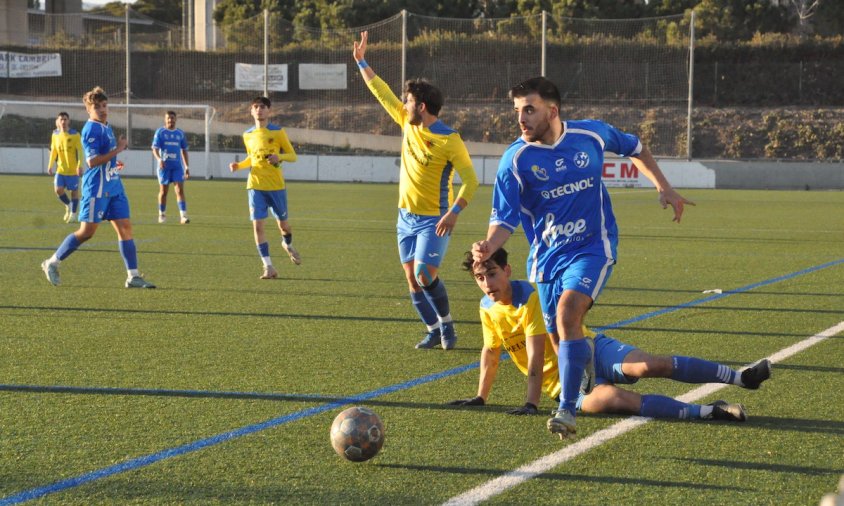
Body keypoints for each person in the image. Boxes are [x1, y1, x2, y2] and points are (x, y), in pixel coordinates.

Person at [471, 76, 696, 439]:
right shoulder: (515, 160)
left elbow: (636, 147)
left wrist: (664, 187)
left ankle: (567, 408)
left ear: (552, 110)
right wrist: (488, 244)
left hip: (594, 246)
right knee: (560, 337)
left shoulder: (591, 135)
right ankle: (585, 375)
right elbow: (504, 218)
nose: (521, 118)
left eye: (529, 109)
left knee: (568, 313)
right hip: (546, 261)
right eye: (517, 111)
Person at [450, 248, 771, 429]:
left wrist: (531, 404)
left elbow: (535, 357)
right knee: (619, 402)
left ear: (507, 270)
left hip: (590, 350)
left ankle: (741, 378)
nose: (487, 282)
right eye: (479, 277)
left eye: (492, 273)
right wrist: (481, 397)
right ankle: (712, 411)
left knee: (649, 366)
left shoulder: (532, 295)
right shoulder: (487, 308)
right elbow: (490, 353)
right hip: (566, 386)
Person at [353, 31, 479, 350]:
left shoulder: (450, 140)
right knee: (411, 279)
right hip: (404, 218)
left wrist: (454, 213)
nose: (403, 103)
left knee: (424, 274)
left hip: (434, 218)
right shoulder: (407, 124)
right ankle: (433, 329)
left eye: (407, 100)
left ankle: (448, 326)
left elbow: (471, 181)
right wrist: (361, 61)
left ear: (421, 106)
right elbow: (380, 92)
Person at [40, 86, 155, 289]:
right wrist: (119, 149)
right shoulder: (91, 129)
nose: (102, 109)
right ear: (88, 109)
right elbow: (92, 161)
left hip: (114, 187)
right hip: (97, 189)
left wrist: (114, 161)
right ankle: (52, 262)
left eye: (104, 105)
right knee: (86, 232)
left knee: (125, 228)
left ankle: (133, 276)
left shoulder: (105, 126)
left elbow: (105, 157)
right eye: (97, 106)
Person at [228, 96, 300, 280]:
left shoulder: (277, 132)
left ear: (269, 111)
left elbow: (293, 156)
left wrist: (280, 158)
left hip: (276, 186)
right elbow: (251, 158)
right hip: (255, 185)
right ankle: (268, 266)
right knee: (258, 226)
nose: (259, 109)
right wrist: (239, 166)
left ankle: (287, 244)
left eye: (262, 107)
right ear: (251, 111)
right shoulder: (247, 134)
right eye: (256, 107)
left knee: (283, 225)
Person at [151, 110, 190, 224]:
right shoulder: (160, 132)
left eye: (172, 118)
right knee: (163, 191)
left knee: (179, 190)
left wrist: (186, 167)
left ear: (175, 119)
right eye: (168, 118)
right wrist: (159, 160)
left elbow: (184, 150)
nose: (170, 120)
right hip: (164, 167)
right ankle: (161, 214)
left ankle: (183, 216)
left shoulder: (180, 133)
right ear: (165, 119)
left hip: (177, 167)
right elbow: (155, 149)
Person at [47, 111, 83, 223]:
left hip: (72, 170)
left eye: (65, 119)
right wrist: (50, 165)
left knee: (74, 192)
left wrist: (79, 165)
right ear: (58, 121)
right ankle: (68, 205)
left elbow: (80, 151)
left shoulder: (75, 135)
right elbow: (53, 151)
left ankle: (73, 214)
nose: (63, 121)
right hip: (60, 170)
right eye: (61, 119)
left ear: (69, 121)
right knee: (58, 190)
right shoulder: (55, 135)